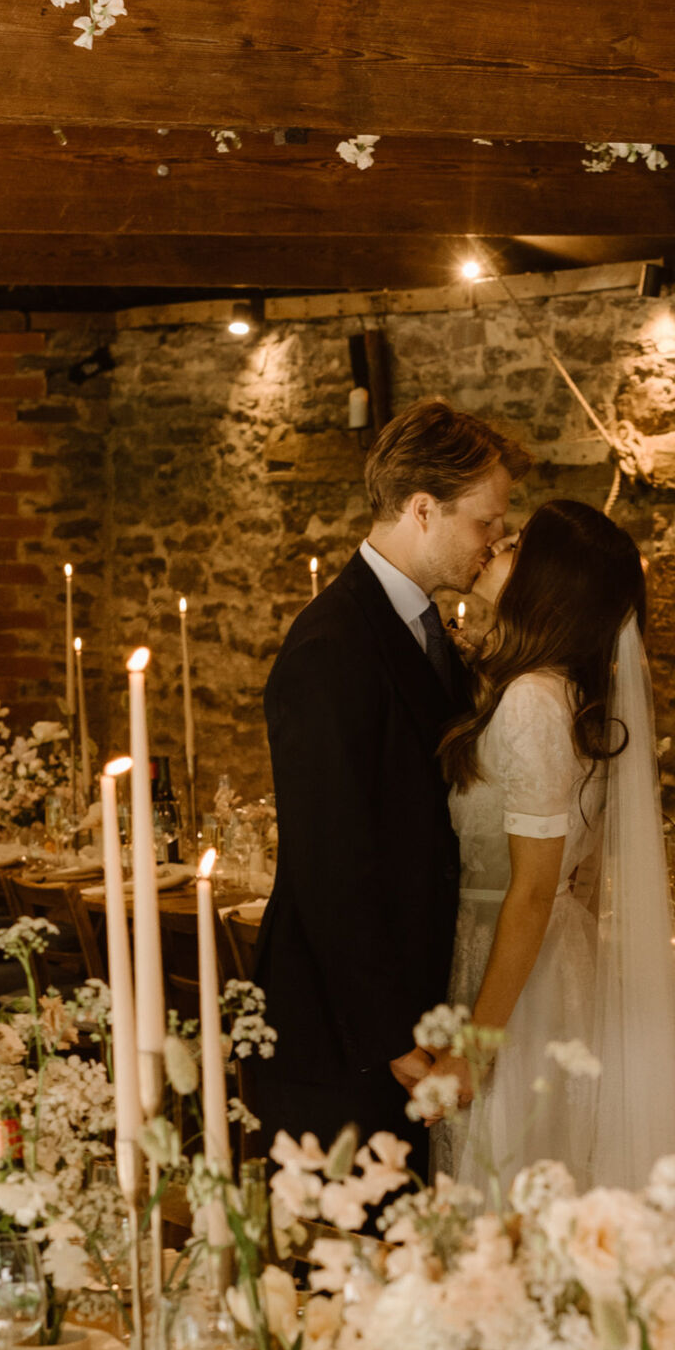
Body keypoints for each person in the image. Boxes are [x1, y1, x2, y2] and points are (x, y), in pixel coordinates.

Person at [252, 401, 520, 1160]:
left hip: (412, 1005)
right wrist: (392, 1036)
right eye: (485, 523)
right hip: (343, 1036)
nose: (496, 540)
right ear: (422, 510)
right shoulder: (331, 648)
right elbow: (328, 862)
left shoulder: (425, 628)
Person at [430, 498, 675, 1194]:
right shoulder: (553, 694)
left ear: (550, 583)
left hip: (516, 980)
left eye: (520, 543)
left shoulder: (530, 701)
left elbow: (531, 890)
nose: (498, 544)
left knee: (507, 1189)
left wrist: (477, 1049)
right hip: (544, 963)